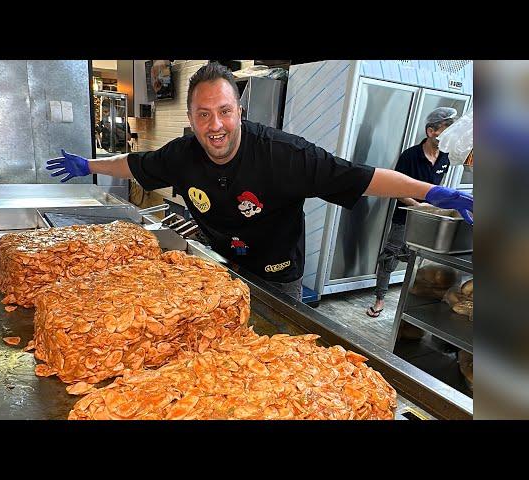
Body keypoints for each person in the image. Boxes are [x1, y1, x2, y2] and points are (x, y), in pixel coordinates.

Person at [47, 62, 473, 302]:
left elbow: (360, 176)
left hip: (277, 273)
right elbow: (136, 164)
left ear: (239, 111)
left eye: (225, 111)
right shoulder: (181, 155)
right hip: (220, 263)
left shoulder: (284, 155)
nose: (215, 125)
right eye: (203, 114)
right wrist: (89, 164)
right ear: (192, 118)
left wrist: (430, 190)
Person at [366, 107, 462, 318]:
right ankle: (380, 299)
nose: (450, 135)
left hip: (429, 220)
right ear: (431, 131)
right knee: (389, 258)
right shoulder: (410, 156)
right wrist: (417, 207)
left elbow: (436, 189)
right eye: (446, 130)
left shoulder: (445, 158)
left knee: (419, 260)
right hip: (405, 217)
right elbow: (394, 189)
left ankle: (414, 303)